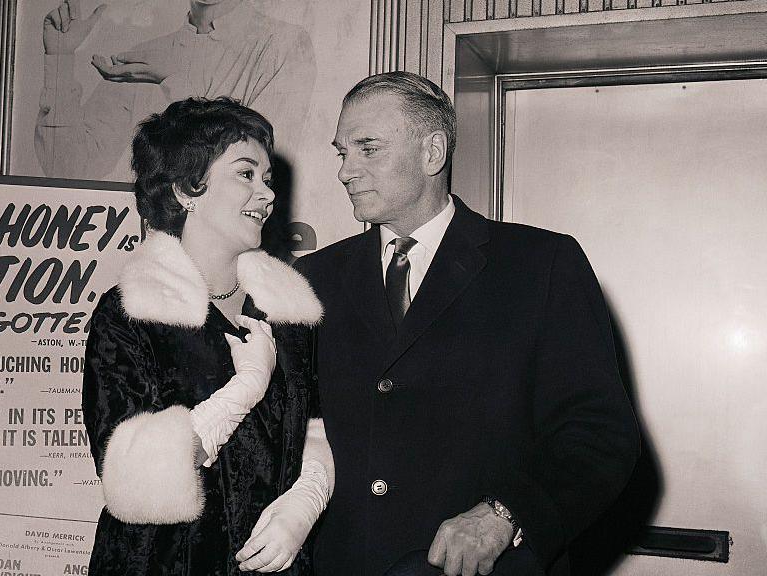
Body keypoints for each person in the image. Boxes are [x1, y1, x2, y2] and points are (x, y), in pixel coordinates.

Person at [293, 72, 640, 576]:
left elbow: (598, 432)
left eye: (367, 149)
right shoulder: (313, 277)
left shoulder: (541, 264)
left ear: (433, 153)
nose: (346, 171)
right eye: (341, 152)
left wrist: (507, 514)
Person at [82, 97, 332, 575]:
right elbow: (134, 482)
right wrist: (246, 388)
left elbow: (318, 430)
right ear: (186, 189)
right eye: (245, 174)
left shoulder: (288, 311)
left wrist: (303, 506)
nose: (267, 194)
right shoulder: (129, 313)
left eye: (267, 178)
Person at [36, 0, 315, 180]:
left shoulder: (285, 45)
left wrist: (172, 81)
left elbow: (257, 170)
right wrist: (60, 61)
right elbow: (68, 169)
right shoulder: (146, 56)